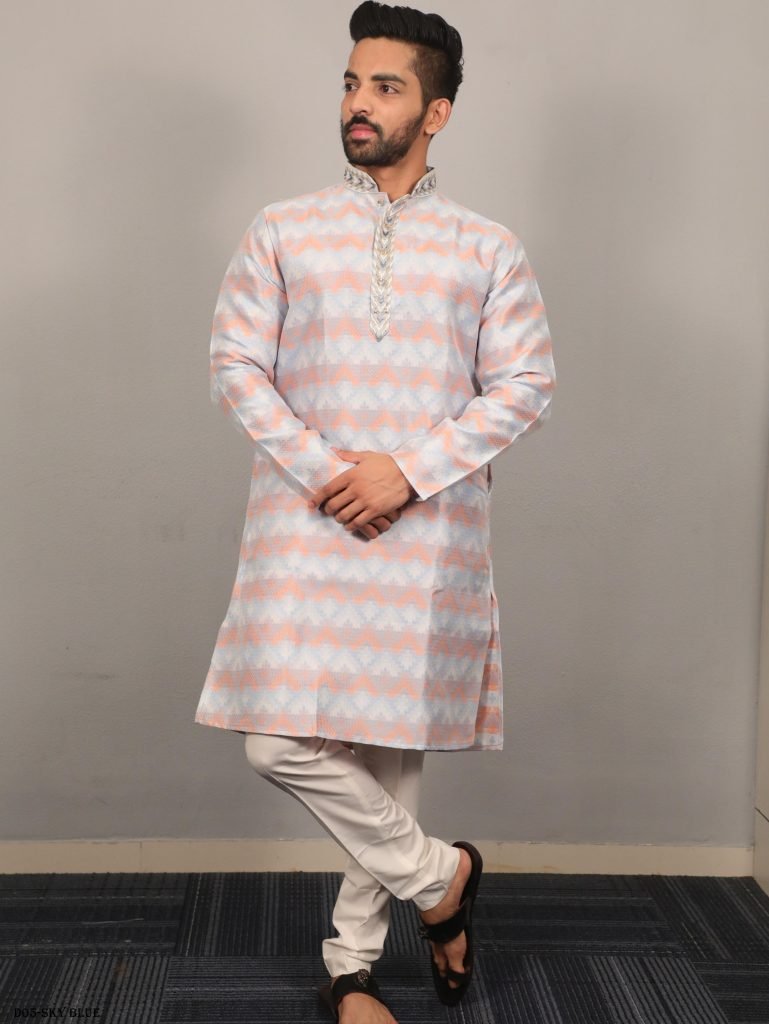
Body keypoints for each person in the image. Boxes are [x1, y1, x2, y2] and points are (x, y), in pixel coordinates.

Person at [194, 2, 556, 1020]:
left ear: (435, 112)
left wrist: (408, 472)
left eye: (385, 88)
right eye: (352, 83)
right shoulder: (284, 228)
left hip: (425, 525)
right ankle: (442, 878)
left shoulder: (485, 247)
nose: (358, 103)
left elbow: (525, 383)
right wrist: (327, 471)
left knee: (391, 751)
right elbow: (235, 364)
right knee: (280, 739)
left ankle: (350, 968)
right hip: (306, 521)